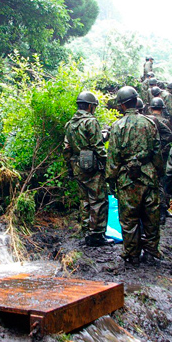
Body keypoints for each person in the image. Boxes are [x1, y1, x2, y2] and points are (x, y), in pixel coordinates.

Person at [107, 86, 162, 266]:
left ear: (122, 105)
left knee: (128, 218)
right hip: (148, 175)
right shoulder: (149, 123)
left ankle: (132, 254)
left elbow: (113, 156)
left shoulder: (117, 126)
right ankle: (152, 250)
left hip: (126, 178)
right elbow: (156, 151)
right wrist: (158, 173)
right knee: (151, 216)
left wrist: (111, 180)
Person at [64, 91, 109, 247]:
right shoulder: (91, 122)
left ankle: (86, 230)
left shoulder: (70, 124)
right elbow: (98, 147)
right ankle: (96, 235)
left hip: (77, 165)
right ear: (90, 106)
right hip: (92, 166)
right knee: (98, 200)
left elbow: (67, 148)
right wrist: (108, 163)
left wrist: (70, 168)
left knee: (84, 200)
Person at [148, 98, 172, 223]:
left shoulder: (147, 120)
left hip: (149, 156)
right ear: (162, 108)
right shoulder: (165, 121)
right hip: (162, 156)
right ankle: (162, 210)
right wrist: (162, 146)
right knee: (162, 182)